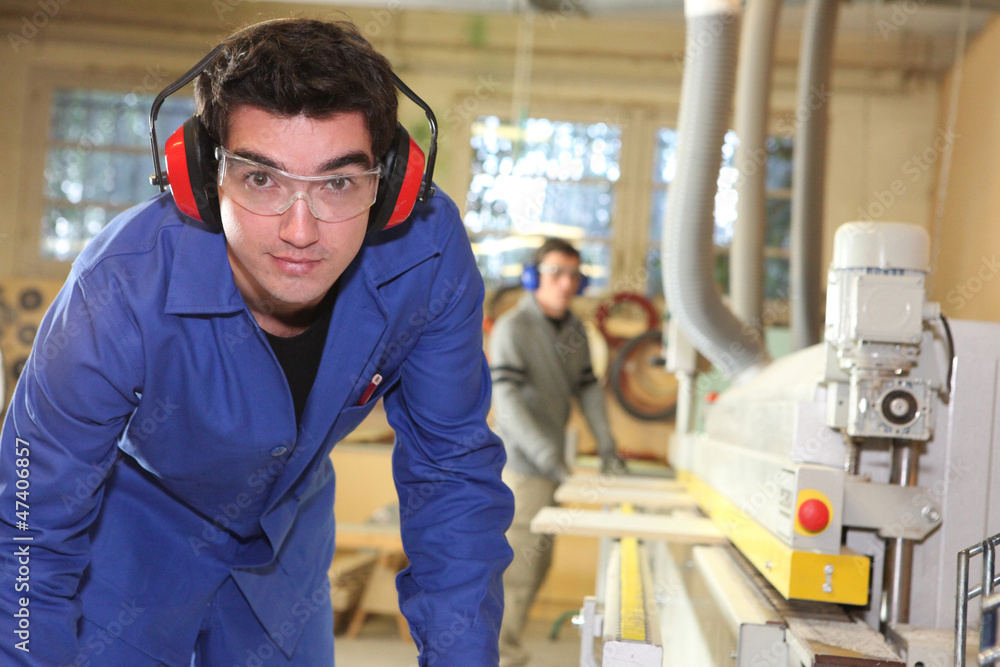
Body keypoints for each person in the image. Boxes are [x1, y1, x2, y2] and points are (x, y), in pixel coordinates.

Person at [0, 18, 513, 666]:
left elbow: (452, 477)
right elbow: (29, 526)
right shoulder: (118, 291)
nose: (301, 230)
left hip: (285, 553)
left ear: (390, 185)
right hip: (124, 550)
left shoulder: (428, 259)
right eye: (262, 179)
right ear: (203, 177)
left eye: (337, 183)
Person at [488, 238, 625, 666]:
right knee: (519, 571)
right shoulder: (515, 327)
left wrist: (607, 446)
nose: (565, 284)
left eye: (573, 275)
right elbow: (506, 404)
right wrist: (548, 456)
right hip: (521, 466)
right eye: (555, 273)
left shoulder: (574, 332)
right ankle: (500, 656)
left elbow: (587, 390)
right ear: (533, 277)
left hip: (550, 466)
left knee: (538, 566)